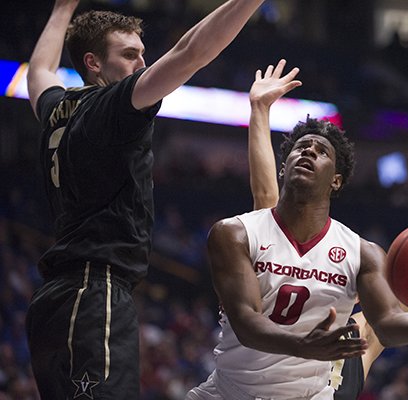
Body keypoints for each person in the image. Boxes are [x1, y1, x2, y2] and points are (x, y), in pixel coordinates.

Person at [186, 60, 408, 399]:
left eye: (321, 150)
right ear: (285, 166)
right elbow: (245, 319)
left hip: (311, 393)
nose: (309, 151)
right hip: (230, 392)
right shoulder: (239, 232)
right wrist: (259, 110)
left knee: (376, 321)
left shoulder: (360, 255)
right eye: (301, 147)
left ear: (337, 180)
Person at [25, 0, 266, 398]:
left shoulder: (55, 108)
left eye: (142, 53)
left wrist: (63, 8)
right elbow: (191, 52)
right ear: (93, 63)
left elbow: (39, 71)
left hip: (59, 298)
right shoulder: (112, 107)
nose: (141, 63)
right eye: (129, 54)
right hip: (93, 291)